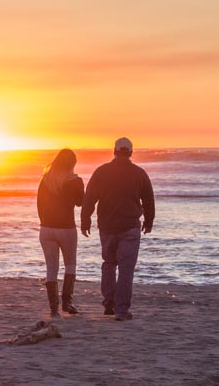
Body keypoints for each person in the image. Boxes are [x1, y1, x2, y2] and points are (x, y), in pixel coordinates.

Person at [81, 137, 155, 320]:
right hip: (129, 227)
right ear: (130, 152)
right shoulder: (139, 173)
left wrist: (85, 220)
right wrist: (149, 221)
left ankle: (108, 303)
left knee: (108, 264)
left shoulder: (101, 172)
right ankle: (121, 310)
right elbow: (148, 200)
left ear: (114, 151)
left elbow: (89, 198)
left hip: (107, 227)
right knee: (126, 269)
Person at [37, 148, 85, 317]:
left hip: (46, 228)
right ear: (73, 164)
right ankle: (67, 302)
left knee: (51, 268)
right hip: (66, 228)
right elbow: (80, 203)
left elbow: (39, 204)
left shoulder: (46, 180)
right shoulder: (75, 181)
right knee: (70, 264)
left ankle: (53, 308)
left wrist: (45, 222)